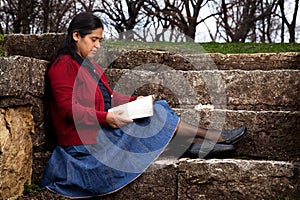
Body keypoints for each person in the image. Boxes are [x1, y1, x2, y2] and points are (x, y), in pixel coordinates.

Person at [41, 12, 247, 198]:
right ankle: (210, 137)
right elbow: (69, 110)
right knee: (155, 114)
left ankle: (193, 145)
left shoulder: (89, 66)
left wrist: (134, 101)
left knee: (153, 108)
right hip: (85, 144)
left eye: (100, 40)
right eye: (93, 40)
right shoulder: (64, 66)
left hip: (100, 132)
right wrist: (107, 118)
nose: (98, 46)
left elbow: (109, 97)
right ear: (76, 36)